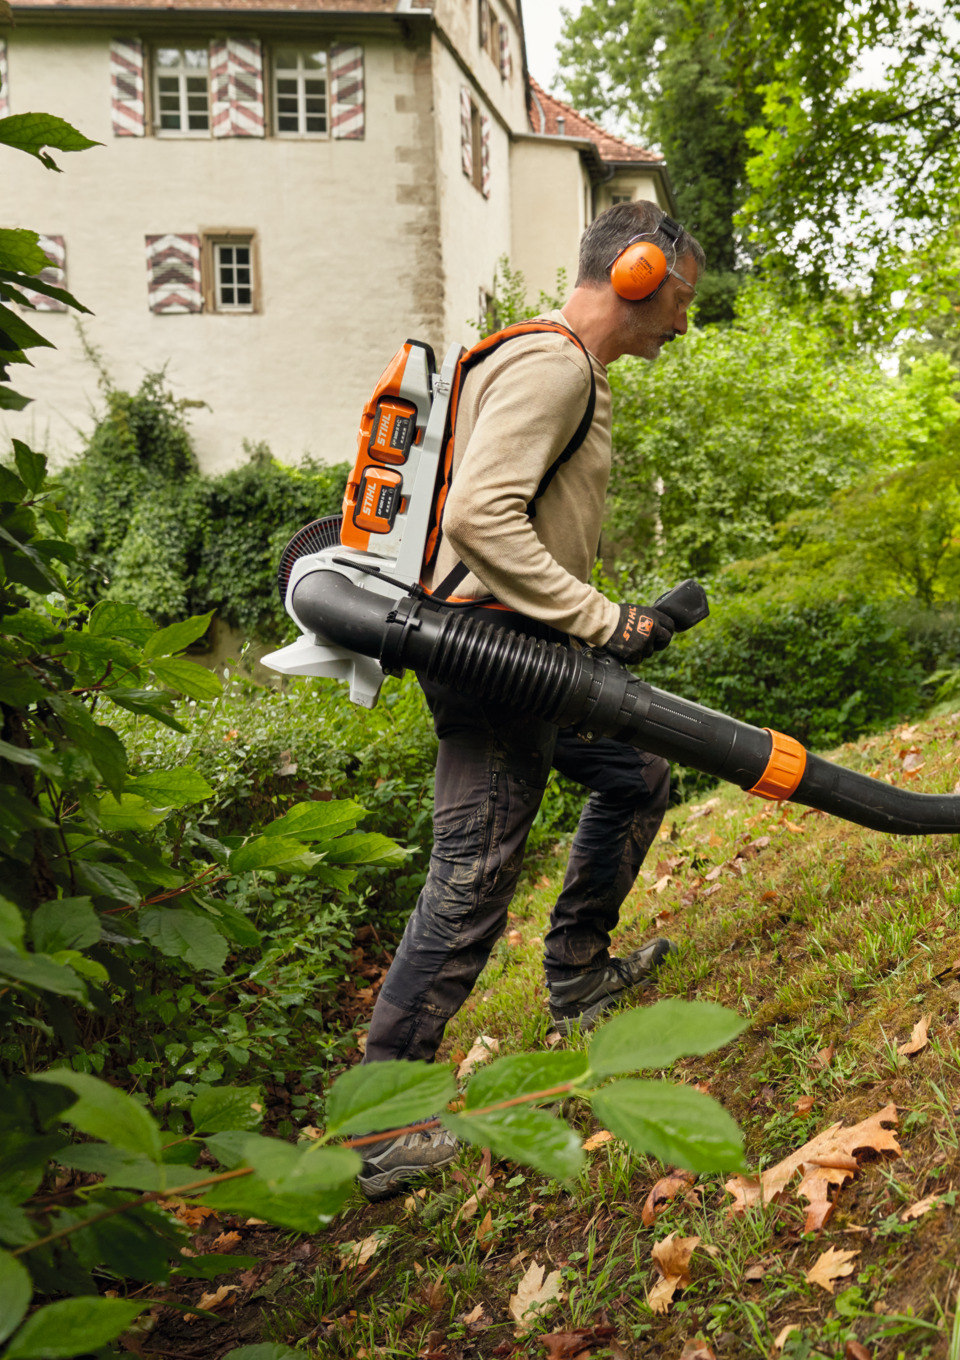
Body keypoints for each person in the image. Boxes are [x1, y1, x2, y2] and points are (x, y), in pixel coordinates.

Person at [356, 201, 704, 1202]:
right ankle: (384, 1127)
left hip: (525, 650)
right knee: (471, 879)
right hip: (499, 657)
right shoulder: (555, 364)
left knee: (635, 771)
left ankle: (579, 973)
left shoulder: (550, 363)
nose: (684, 324)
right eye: (682, 299)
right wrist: (600, 618)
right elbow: (478, 517)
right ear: (640, 272)